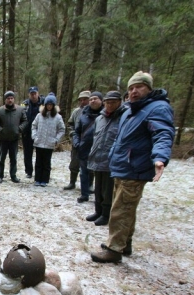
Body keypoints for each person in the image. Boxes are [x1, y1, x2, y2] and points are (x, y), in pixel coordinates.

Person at [91, 71, 174, 263]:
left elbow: (163, 133)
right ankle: (124, 243)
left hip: (135, 168)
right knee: (125, 208)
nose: (134, 91)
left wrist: (160, 157)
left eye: (139, 87)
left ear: (149, 89)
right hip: (121, 166)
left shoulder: (157, 108)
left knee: (121, 209)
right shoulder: (130, 110)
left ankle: (114, 249)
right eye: (131, 88)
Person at [86, 91, 126, 226]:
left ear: (119, 102)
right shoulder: (99, 119)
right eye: (107, 102)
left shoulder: (123, 118)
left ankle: (106, 214)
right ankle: (98, 211)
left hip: (111, 159)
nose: (109, 105)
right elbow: (96, 137)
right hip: (98, 156)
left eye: (113, 102)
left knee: (108, 190)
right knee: (98, 187)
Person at [73, 92, 104, 203]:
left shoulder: (106, 114)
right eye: (91, 99)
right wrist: (76, 143)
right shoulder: (84, 115)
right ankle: (84, 194)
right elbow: (77, 131)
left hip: (101, 150)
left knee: (100, 175)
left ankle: (100, 197)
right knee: (84, 172)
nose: (93, 101)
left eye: (95, 99)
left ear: (101, 100)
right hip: (84, 148)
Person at [0, 90, 27, 183]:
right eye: (8, 98)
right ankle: (0, 176)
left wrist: (19, 129)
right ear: (5, 100)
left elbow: (25, 121)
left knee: (13, 158)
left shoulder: (20, 110)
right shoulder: (0, 111)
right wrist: (1, 130)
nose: (10, 100)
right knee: (1, 158)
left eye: (11, 98)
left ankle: (13, 175)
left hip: (14, 139)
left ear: (14, 99)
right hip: (3, 139)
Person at [31, 92, 65, 187]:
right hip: (39, 142)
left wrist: (56, 139)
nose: (49, 106)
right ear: (45, 105)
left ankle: (44, 180)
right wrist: (34, 136)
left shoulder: (58, 117)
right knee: (38, 162)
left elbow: (62, 129)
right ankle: (37, 179)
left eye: (51, 105)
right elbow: (34, 126)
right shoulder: (39, 115)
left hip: (50, 144)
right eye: (48, 104)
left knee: (46, 163)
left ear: (54, 106)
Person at [63, 91, 90, 190]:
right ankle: (72, 182)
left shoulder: (96, 112)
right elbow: (70, 124)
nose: (83, 102)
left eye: (85, 99)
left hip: (89, 143)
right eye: (81, 100)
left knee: (89, 165)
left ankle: (89, 185)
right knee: (74, 163)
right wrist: (73, 134)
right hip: (76, 141)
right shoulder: (76, 112)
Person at [20, 86, 45, 178]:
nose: (33, 95)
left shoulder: (44, 102)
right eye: (31, 94)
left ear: (38, 93)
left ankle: (41, 171)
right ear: (29, 95)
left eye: (35, 93)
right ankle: (29, 171)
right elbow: (20, 115)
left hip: (41, 132)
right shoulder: (24, 104)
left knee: (41, 153)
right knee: (27, 153)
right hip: (27, 131)